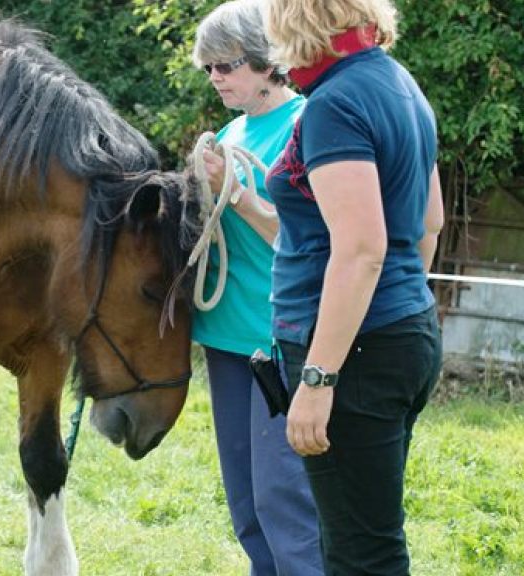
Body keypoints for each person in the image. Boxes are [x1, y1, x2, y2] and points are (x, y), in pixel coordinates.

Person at [265, 0, 445, 573]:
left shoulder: (335, 103)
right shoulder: (400, 84)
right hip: (400, 331)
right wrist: (401, 304)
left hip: (355, 353)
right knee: (359, 535)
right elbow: (430, 221)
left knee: (362, 554)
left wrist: (319, 378)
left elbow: (363, 250)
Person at [190, 2, 323, 574]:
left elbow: (306, 239)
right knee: (246, 504)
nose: (216, 77)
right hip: (226, 338)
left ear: (267, 61)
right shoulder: (232, 131)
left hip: (278, 340)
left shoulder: (306, 124)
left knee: (284, 501)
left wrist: (236, 191)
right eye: (209, 68)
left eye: (226, 65)